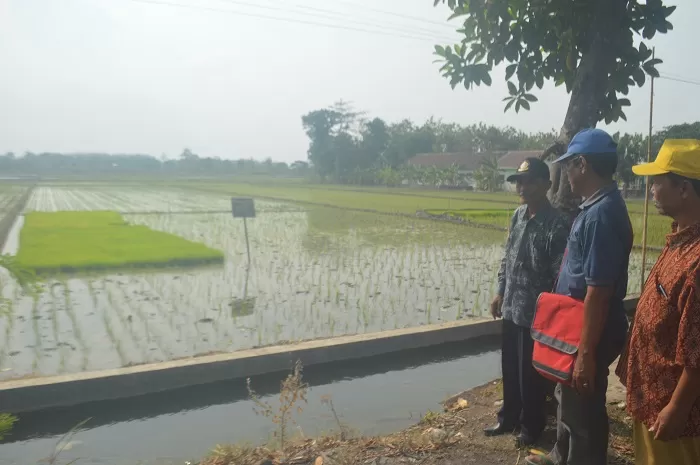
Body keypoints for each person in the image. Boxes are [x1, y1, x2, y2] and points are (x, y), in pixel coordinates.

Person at [525, 128, 633, 465]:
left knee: (583, 408)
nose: (565, 174)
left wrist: (585, 353)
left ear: (583, 164)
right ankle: (562, 455)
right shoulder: (596, 206)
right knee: (567, 398)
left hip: (588, 332)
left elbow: (599, 292)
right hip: (576, 328)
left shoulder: (600, 216)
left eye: (568, 166)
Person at [616, 139, 700, 464]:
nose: (651, 188)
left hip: (676, 413)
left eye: (658, 181)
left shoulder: (696, 261)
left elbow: (697, 352)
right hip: (652, 399)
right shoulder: (680, 239)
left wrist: (677, 409)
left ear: (683, 190)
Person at [485, 157, 569, 446]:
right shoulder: (518, 216)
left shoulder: (556, 224)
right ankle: (508, 417)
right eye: (519, 181)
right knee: (510, 366)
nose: (522, 186)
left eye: (529, 180)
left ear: (546, 184)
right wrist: (499, 291)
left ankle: (531, 426)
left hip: (536, 313)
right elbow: (508, 257)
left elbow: (560, 275)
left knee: (530, 374)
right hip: (511, 306)